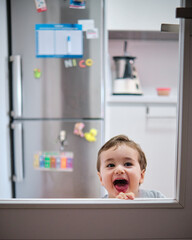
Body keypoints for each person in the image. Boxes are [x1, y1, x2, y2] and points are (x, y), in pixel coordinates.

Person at [97, 134, 165, 200]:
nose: (119, 170)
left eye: (128, 164)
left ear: (141, 176)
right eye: (110, 165)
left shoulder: (155, 197)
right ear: (101, 178)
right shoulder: (99, 208)